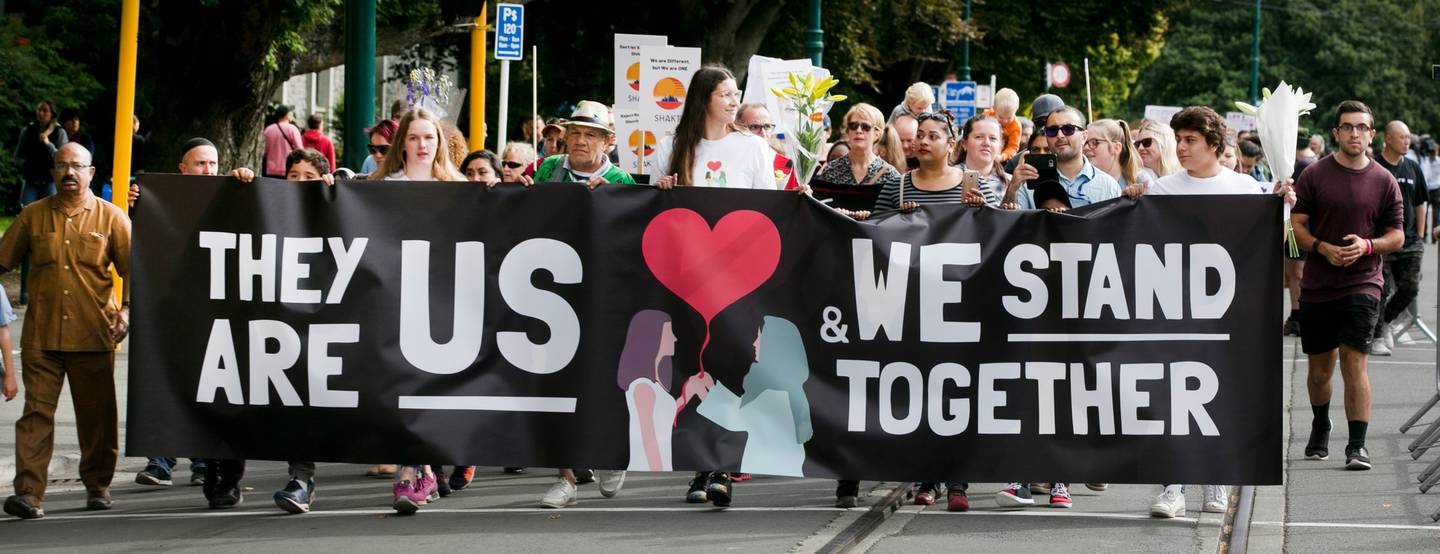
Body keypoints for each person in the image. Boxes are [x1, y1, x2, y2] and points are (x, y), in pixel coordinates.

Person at [1125, 106, 1287, 518]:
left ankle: (1214, 479)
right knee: (1172, 395)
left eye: (1190, 140)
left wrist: (1282, 206)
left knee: (1216, 396)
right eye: (1178, 139)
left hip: (1226, 315)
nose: (1180, 148)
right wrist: (1129, 205)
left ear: (1214, 145)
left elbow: (1265, 244)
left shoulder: (1247, 190)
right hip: (1173, 311)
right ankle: (1172, 486)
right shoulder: (1162, 190)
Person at [0, 143, 131, 520]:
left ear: (92, 173)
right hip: (41, 336)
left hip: (93, 334)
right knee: (35, 415)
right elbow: (2, 259)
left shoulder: (112, 218)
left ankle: (98, 483)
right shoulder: (32, 216)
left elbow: (136, 271)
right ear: (53, 172)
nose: (69, 172)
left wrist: (126, 310)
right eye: (61, 166)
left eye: (77, 166)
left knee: (97, 417)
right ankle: (28, 492)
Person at [1290, 100, 1402, 474]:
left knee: (1355, 364)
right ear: (1336, 133)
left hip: (1364, 282)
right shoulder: (1314, 175)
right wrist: (1322, 247)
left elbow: (1398, 235)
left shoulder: (1384, 180)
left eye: (1361, 127)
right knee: (1320, 371)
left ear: (1372, 134)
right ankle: (1321, 423)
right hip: (1320, 284)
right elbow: (1297, 225)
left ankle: (1357, 445)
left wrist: (1367, 246)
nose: (1355, 133)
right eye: (1347, 127)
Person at [371, 107, 465, 513]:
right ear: (402, 143)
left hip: (444, 301)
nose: (422, 145)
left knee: (430, 386)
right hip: (393, 299)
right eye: (414, 137)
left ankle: (417, 471)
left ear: (439, 142)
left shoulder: (459, 186)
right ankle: (414, 472)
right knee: (400, 387)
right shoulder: (382, 186)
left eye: (429, 137)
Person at [651, 65, 780, 192]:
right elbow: (656, 207)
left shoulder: (755, 146)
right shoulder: (668, 146)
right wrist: (662, 191)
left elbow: (768, 204)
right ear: (703, 100)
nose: (736, 103)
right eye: (726, 95)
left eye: (736, 94)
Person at [1370, 120, 1428, 356]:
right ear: (1388, 139)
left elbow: (1420, 202)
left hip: (1410, 240)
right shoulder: (1375, 167)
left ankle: (1386, 323)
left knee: (1409, 289)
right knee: (1380, 291)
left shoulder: (1413, 167)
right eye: (1403, 137)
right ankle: (1375, 337)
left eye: (1409, 137)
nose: (1407, 141)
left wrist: (1421, 235)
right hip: (1382, 240)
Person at [11, 101, 69, 306]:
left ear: (51, 113)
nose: (41, 113)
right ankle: (25, 291)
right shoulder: (27, 130)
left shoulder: (59, 132)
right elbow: (17, 156)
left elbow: (63, 157)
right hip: (31, 183)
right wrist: (26, 163)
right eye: (39, 110)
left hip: (49, 183)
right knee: (26, 227)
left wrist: (47, 144)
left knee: (53, 228)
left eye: (45, 110)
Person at [1013, 106, 1122, 211]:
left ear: (1084, 137)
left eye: (1068, 129)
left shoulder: (1109, 186)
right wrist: (1012, 188)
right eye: (1052, 130)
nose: (1060, 135)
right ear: (1047, 136)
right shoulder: (1029, 182)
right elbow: (1013, 224)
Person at [533, 101, 635, 187]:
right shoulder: (550, 165)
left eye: (590, 135)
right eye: (575, 133)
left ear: (606, 142)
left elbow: (636, 210)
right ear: (566, 137)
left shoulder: (622, 180)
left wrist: (610, 198)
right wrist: (521, 192)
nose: (580, 141)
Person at [815, 103, 902, 187]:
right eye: (853, 125)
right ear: (848, 131)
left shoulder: (889, 175)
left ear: (877, 134)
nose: (858, 130)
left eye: (866, 127)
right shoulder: (831, 170)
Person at [735, 103, 800, 189]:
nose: (763, 133)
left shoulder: (786, 164)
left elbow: (793, 199)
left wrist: (803, 196)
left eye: (767, 126)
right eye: (754, 127)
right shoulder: (730, 159)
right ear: (738, 128)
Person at [1084, 118, 1154, 191]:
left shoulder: (1140, 181)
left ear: (1117, 148)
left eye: (1094, 142)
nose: (1085, 148)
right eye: (1085, 142)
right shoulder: (1081, 183)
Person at [263, 105, 304, 178]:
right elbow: (300, 150)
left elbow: (264, 151)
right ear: (287, 115)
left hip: (271, 169)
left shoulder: (268, 130)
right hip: (288, 168)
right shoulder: (292, 129)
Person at [983, 88, 1024, 160]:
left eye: (1009, 118)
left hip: (1003, 158)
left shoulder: (1016, 126)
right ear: (994, 109)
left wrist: (1003, 156)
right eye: (1001, 117)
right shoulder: (986, 117)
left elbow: (1013, 146)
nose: (1005, 121)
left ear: (1015, 112)